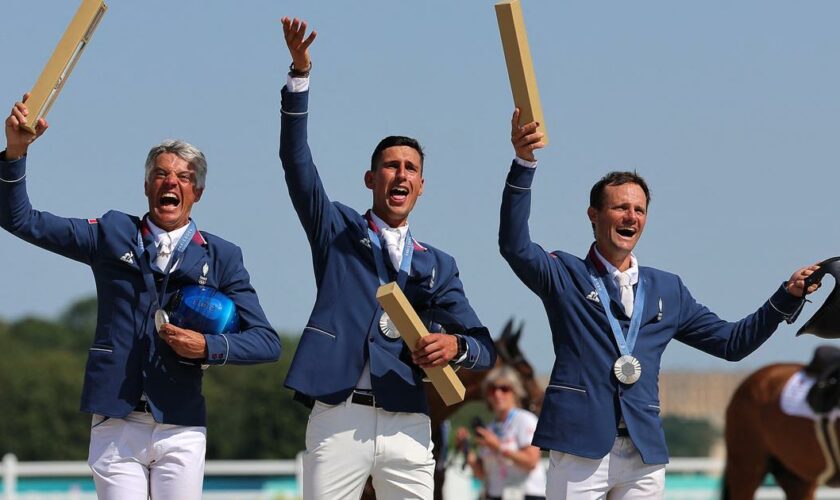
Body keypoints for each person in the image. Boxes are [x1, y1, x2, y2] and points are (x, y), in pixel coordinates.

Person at [498, 109, 820, 499]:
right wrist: (523, 164)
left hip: (643, 453)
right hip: (580, 449)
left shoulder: (668, 289)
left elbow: (732, 344)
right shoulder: (564, 273)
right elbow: (514, 245)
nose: (630, 216)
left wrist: (785, 296)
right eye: (620, 208)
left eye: (639, 209)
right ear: (594, 215)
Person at [1, 96, 281, 500]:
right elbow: (20, 220)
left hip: (181, 423)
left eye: (184, 177)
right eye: (162, 174)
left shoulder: (222, 256)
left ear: (197, 192)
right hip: (116, 420)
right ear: (147, 185)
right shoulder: (110, 233)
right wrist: (15, 152)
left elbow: (266, 342)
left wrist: (207, 346)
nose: (172, 182)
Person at [278, 17, 496, 500]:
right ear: (370, 179)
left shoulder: (438, 264)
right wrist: (299, 77)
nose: (401, 175)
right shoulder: (336, 229)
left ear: (421, 186)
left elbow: (484, 347)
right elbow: (297, 163)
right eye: (390, 166)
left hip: (409, 420)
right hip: (338, 415)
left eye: (411, 169)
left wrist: (454, 348)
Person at [457, 366, 546, 500]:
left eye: (504, 389)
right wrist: (466, 450)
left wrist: (498, 446)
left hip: (525, 494)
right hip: (496, 494)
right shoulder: (490, 428)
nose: (498, 394)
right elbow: (482, 474)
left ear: (515, 392)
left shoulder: (525, 419)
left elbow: (531, 461)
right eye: (492, 389)